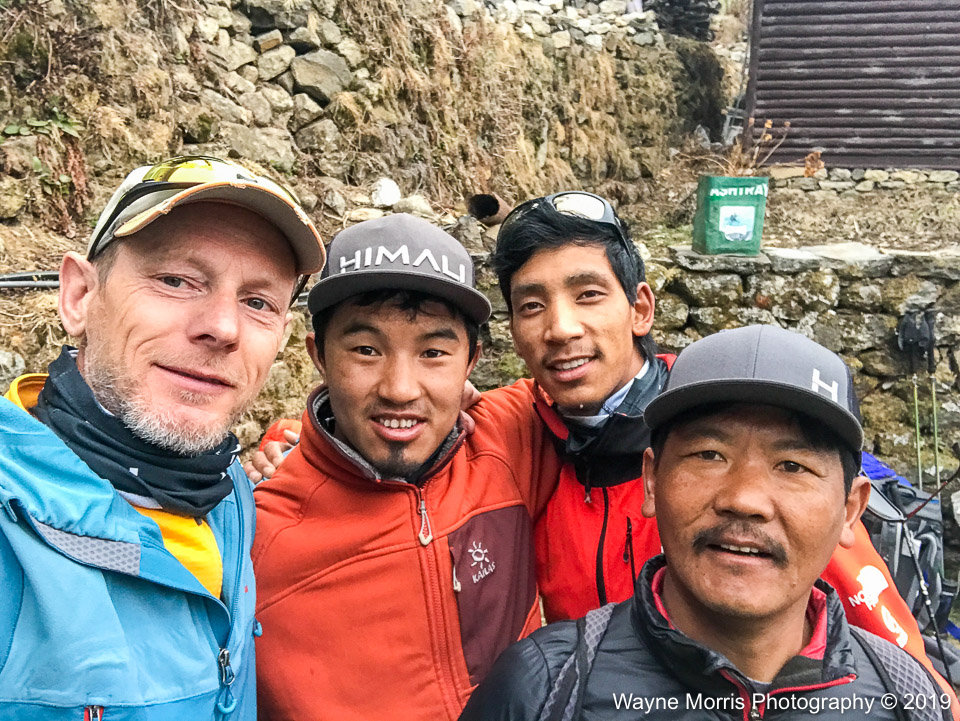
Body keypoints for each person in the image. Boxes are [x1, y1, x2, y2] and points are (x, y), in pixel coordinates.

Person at [250, 191, 952, 690]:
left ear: (640, 307)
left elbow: (891, 650)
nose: (561, 328)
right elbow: (395, 414)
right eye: (532, 305)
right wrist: (294, 440)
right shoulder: (518, 428)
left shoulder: (728, 436)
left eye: (588, 295)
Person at [460, 326, 954, 721]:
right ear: (651, 481)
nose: (744, 499)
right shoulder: (542, 689)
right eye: (708, 454)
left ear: (850, 509)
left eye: (792, 466)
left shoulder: (907, 696)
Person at [0, 155, 323, 720]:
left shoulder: (229, 494)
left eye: (258, 302)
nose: (223, 328)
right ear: (79, 297)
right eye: (175, 280)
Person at [251, 214, 562, 721]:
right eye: (366, 350)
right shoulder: (255, 538)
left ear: (472, 361)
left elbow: (625, 386)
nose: (400, 388)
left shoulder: (509, 438)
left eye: (433, 352)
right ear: (318, 356)